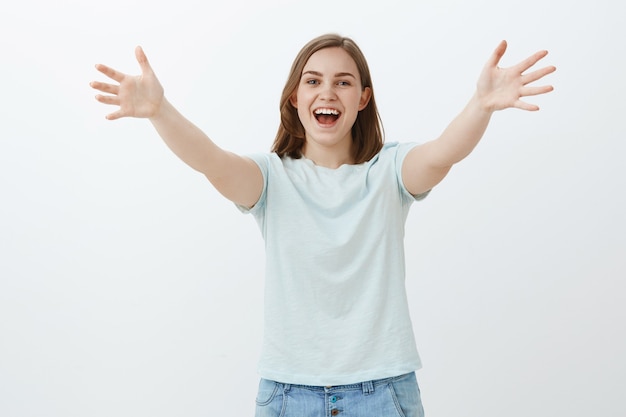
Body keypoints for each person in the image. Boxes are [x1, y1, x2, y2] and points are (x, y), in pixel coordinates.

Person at [90, 33, 555, 417]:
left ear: (362, 98)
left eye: (343, 82)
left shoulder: (390, 172)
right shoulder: (270, 178)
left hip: (383, 393)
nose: (327, 92)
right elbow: (209, 160)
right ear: (296, 98)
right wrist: (159, 111)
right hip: (288, 395)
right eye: (313, 81)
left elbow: (443, 151)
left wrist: (481, 105)